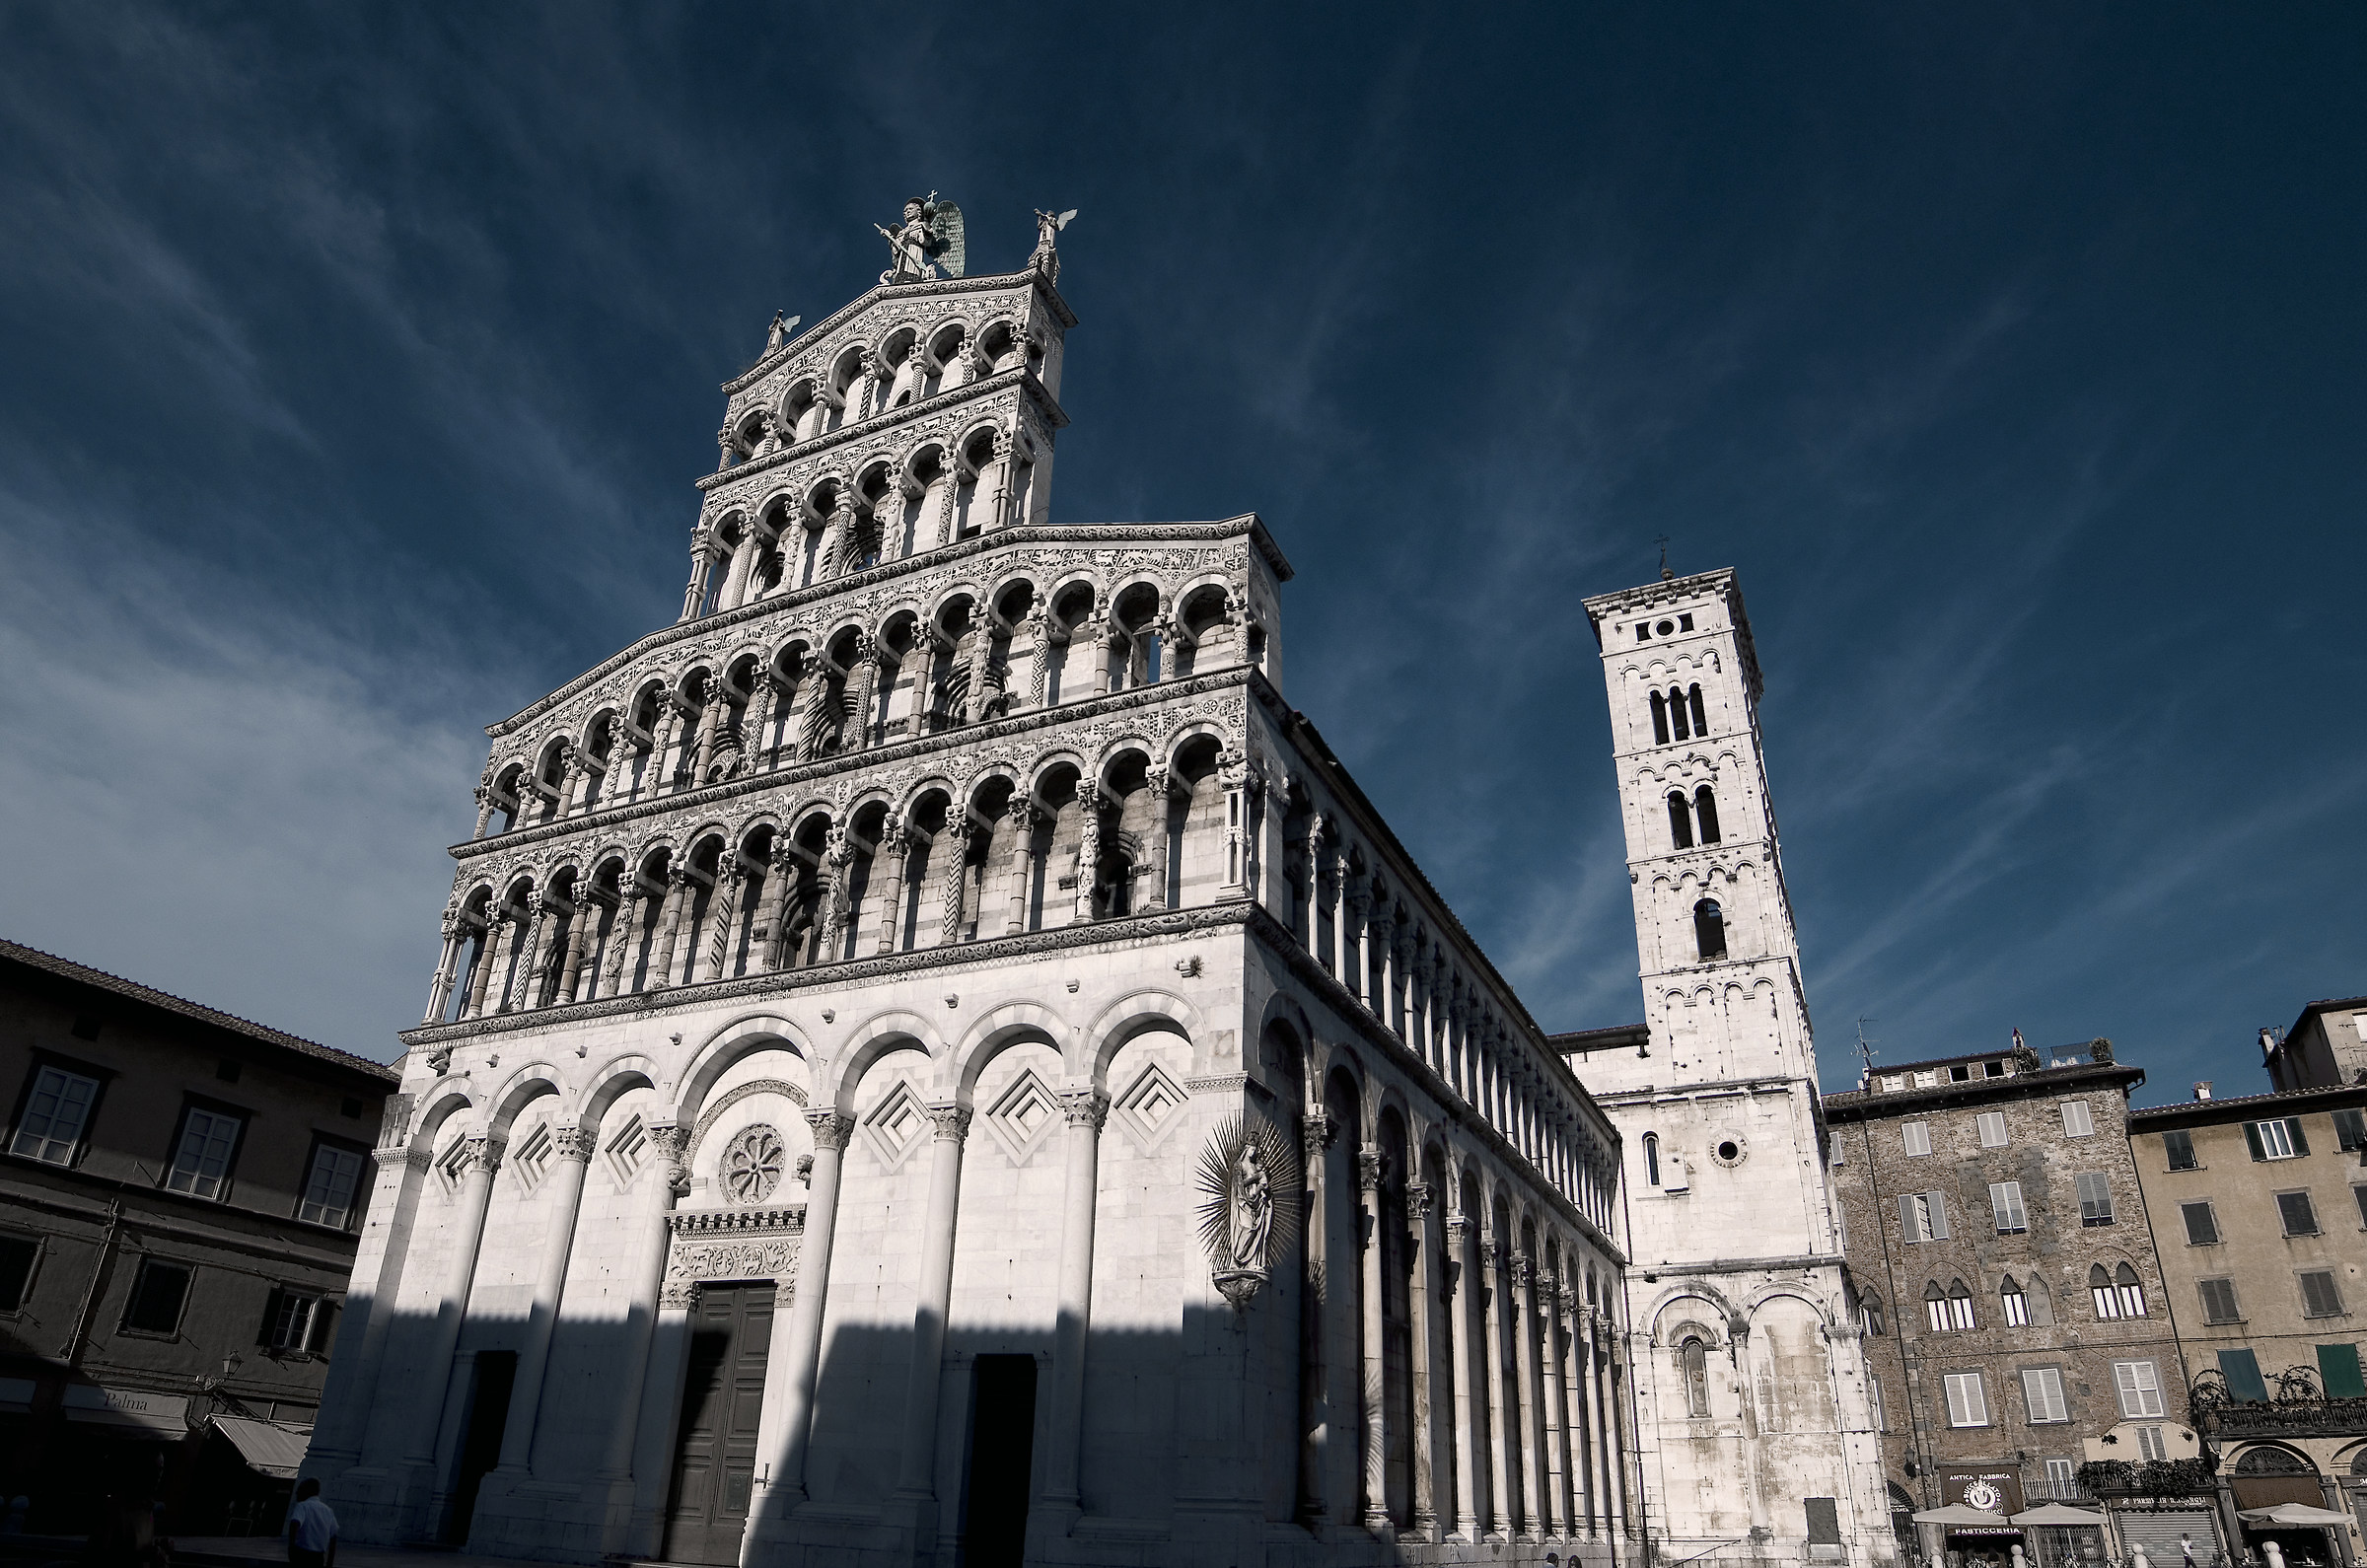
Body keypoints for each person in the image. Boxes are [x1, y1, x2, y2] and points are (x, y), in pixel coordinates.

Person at [285, 1479, 336, 1568]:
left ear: (307, 1491)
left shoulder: (303, 1506)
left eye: (300, 1489)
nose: (297, 1492)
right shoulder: (328, 1510)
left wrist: (291, 1548)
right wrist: (330, 1562)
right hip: (318, 1557)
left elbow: (295, 1523)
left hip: (302, 1554)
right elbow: (333, 1537)